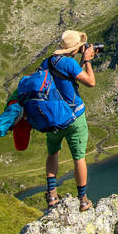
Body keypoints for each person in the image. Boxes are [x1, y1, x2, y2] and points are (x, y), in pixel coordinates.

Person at [43, 29, 97, 211]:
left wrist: (82, 61)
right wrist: (88, 60)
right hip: (74, 118)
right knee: (79, 158)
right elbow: (90, 82)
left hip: (53, 118)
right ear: (75, 48)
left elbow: (68, 77)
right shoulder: (69, 63)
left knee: (53, 153)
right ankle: (83, 199)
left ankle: (51, 194)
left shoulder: (48, 62)